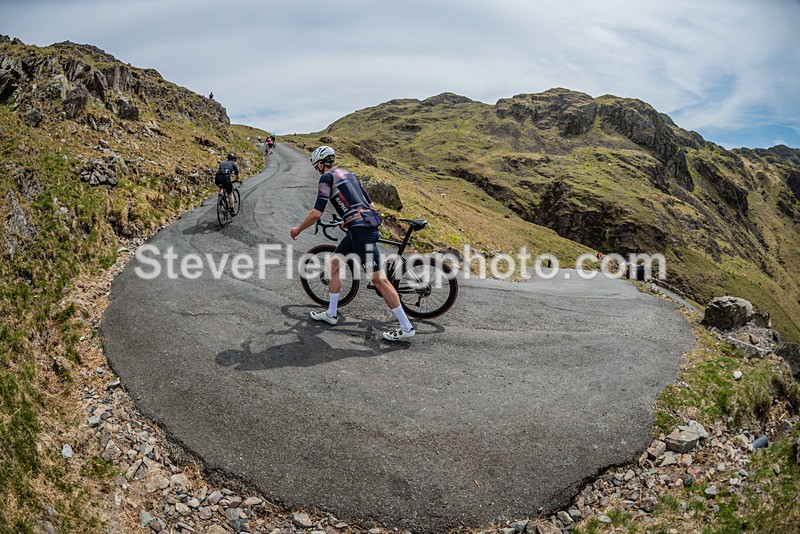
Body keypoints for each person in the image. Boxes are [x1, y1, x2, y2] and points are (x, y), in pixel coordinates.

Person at [290, 146, 415, 341]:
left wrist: (298, 229)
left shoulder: (327, 178)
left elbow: (316, 213)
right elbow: (370, 205)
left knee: (379, 280)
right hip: (362, 227)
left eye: (317, 167)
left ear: (322, 164)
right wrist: (347, 219)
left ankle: (406, 326)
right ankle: (331, 313)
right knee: (334, 264)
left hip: (362, 233)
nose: (317, 170)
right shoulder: (350, 175)